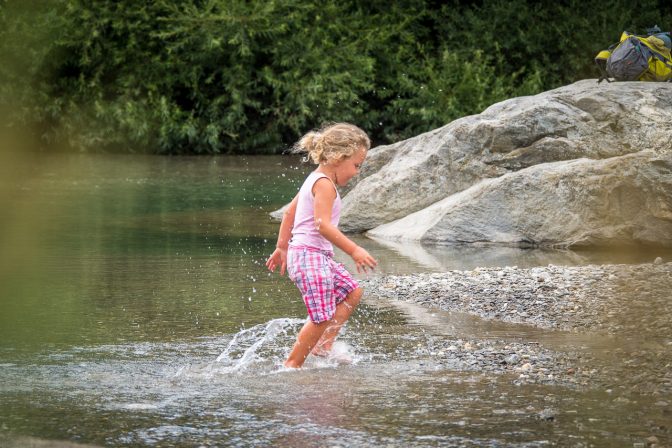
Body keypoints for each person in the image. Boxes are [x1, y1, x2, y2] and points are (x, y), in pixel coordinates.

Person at [266, 122, 378, 368]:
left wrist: (282, 247)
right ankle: (292, 364)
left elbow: (288, 215)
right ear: (338, 157)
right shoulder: (324, 184)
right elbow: (323, 225)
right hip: (309, 257)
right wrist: (355, 250)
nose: (357, 172)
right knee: (321, 315)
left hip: (313, 256)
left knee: (352, 291)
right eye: (356, 165)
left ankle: (322, 346)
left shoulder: (314, 179)